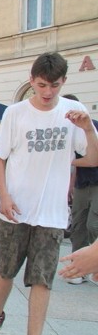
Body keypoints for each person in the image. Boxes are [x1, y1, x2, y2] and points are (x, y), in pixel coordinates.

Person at [0, 52, 98, 335]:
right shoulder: (15, 113)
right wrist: (6, 195)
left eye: (54, 86)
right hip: (14, 210)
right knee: (6, 270)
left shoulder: (75, 114)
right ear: (32, 81)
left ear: (63, 83)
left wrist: (88, 128)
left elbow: (90, 159)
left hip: (53, 214)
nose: (47, 92)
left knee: (42, 279)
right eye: (41, 85)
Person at [65, 94, 98, 284]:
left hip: (97, 183)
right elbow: (77, 165)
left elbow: (93, 157)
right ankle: (77, 269)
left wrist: (66, 161)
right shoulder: (67, 131)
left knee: (93, 225)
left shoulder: (91, 126)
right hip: (81, 184)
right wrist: (70, 185)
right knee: (77, 226)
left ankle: (93, 263)